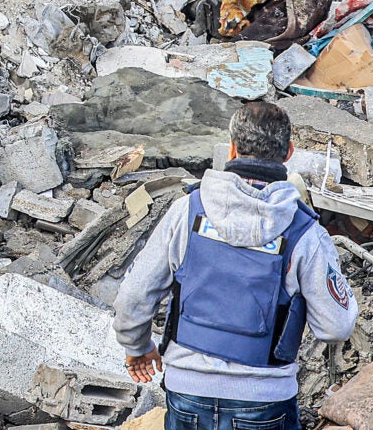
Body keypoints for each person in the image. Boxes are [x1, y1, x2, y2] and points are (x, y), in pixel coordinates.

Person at [112, 101, 356, 430]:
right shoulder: (305, 233)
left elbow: (134, 294)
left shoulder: (187, 211)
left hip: (187, 393)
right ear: (289, 153)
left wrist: (137, 347)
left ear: (231, 149)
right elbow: (335, 327)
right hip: (265, 401)